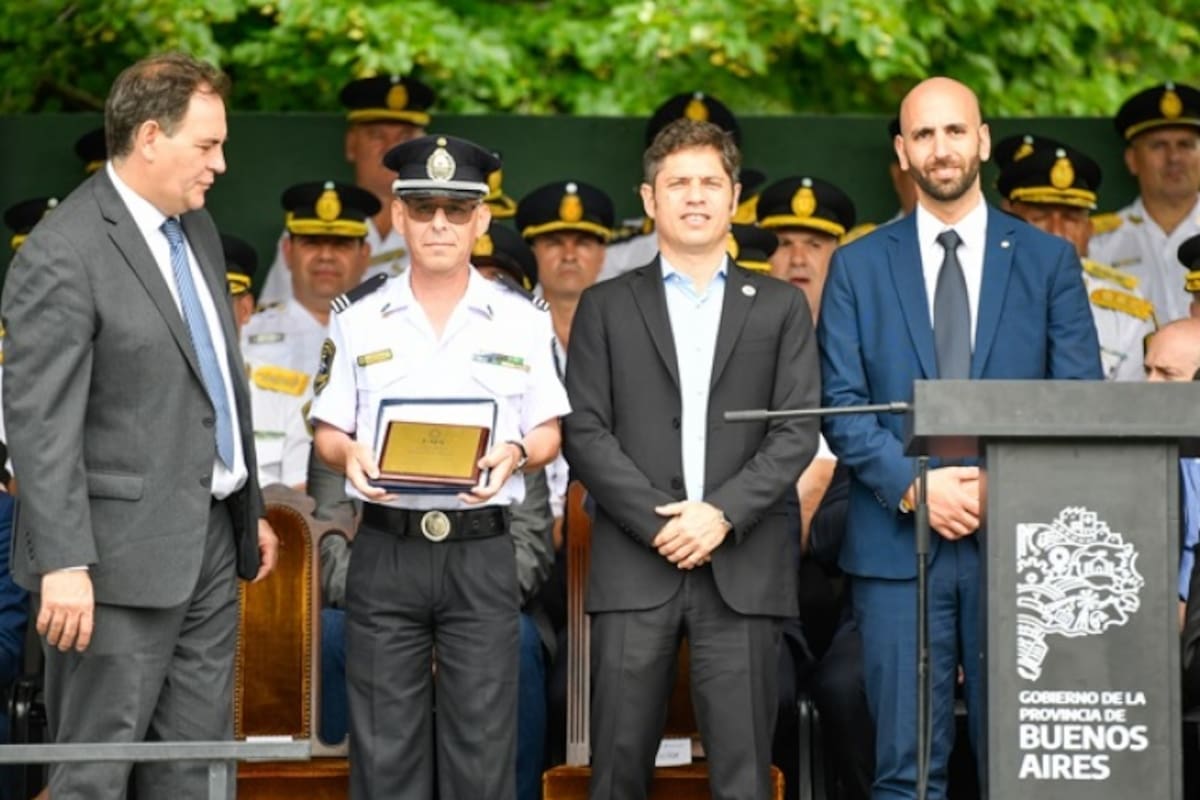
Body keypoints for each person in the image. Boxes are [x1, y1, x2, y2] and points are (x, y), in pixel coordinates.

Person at [0, 52, 278, 798]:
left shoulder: (199, 228)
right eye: (207, 145)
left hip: (211, 544)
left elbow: (214, 376)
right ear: (150, 136)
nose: (221, 164)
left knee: (194, 772)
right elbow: (40, 424)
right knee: (93, 775)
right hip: (107, 566)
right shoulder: (64, 253)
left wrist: (241, 500)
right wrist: (63, 563)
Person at [818, 76, 1102, 800]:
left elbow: (1077, 403)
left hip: (1023, 548)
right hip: (895, 546)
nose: (939, 149)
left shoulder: (1047, 262)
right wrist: (917, 486)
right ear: (902, 151)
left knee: (1025, 768)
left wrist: (996, 488)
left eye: (953, 132)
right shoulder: (857, 264)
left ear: (981, 140)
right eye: (923, 135)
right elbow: (843, 406)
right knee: (905, 772)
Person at [563, 117, 820, 800]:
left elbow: (795, 433)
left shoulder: (780, 307)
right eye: (679, 183)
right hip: (634, 562)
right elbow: (583, 431)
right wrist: (664, 523)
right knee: (616, 774)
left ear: (734, 197)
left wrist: (721, 516)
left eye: (710, 182)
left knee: (742, 776)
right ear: (650, 199)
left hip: (743, 565)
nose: (695, 196)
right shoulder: (605, 306)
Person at [310, 134, 569, 800]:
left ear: (483, 220)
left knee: (482, 755)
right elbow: (327, 429)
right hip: (386, 550)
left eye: (457, 211)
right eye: (423, 210)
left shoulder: (522, 319)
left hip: (481, 549)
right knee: (383, 754)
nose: (440, 225)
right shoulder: (357, 316)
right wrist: (350, 453)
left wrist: (515, 450)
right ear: (398, 217)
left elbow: (548, 430)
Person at [257, 75, 435, 305]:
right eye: (376, 136)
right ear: (352, 144)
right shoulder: (309, 222)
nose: (391, 149)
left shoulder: (440, 227)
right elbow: (277, 320)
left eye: (405, 137)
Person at [994, 134, 1157, 380]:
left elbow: (1134, 407)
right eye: (1040, 216)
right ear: (1009, 222)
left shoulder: (1125, 311)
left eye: (1071, 218)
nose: (1058, 233)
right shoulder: (978, 293)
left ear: (1089, 229)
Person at [1090, 82, 1200, 323]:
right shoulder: (1098, 243)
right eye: (1158, 145)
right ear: (1132, 160)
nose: (1174, 158)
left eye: (1185, 145)